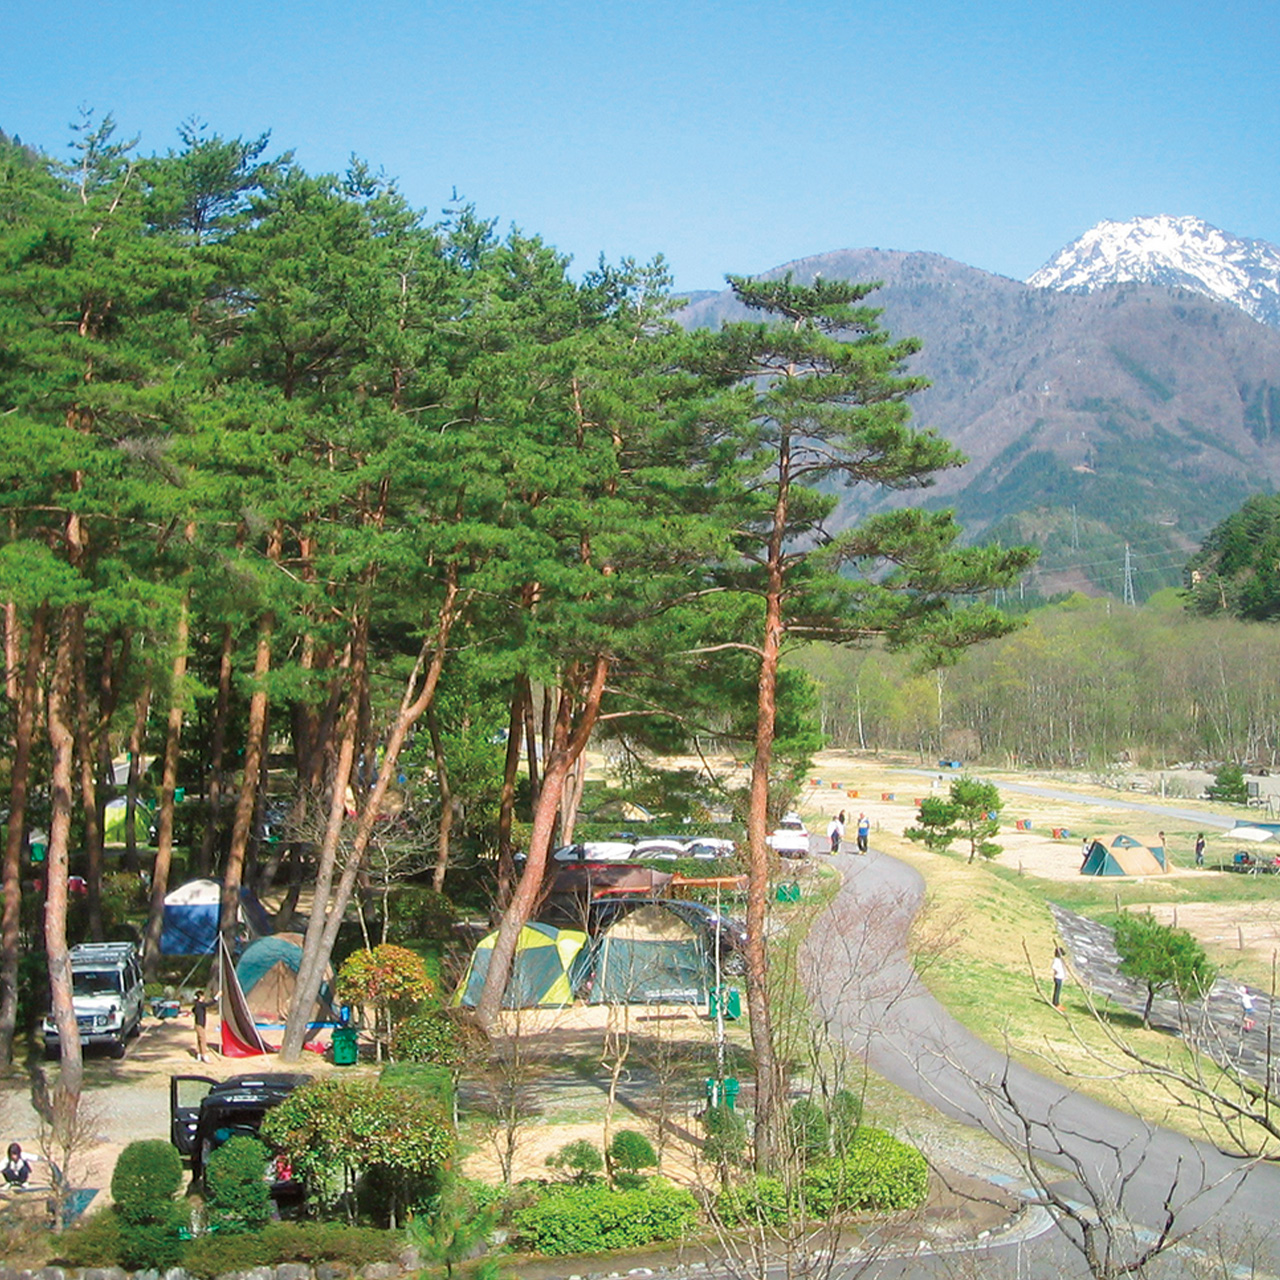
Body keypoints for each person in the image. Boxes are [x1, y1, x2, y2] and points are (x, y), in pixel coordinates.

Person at [192, 988, 215, 1063]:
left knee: (199, 1040)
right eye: (202, 996)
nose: (204, 997)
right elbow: (209, 1004)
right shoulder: (200, 1005)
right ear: (200, 997)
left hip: (198, 1024)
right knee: (203, 1040)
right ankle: (204, 1055)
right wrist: (217, 997)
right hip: (200, 1025)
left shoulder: (197, 1005)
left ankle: (199, 1054)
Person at [1051, 947, 1067, 1012]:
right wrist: (1057, 972)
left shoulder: (1060, 960)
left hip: (1060, 977)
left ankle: (1056, 1002)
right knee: (1057, 991)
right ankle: (1056, 1003)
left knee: (1058, 990)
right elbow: (1054, 967)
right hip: (1058, 977)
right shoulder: (1056, 960)